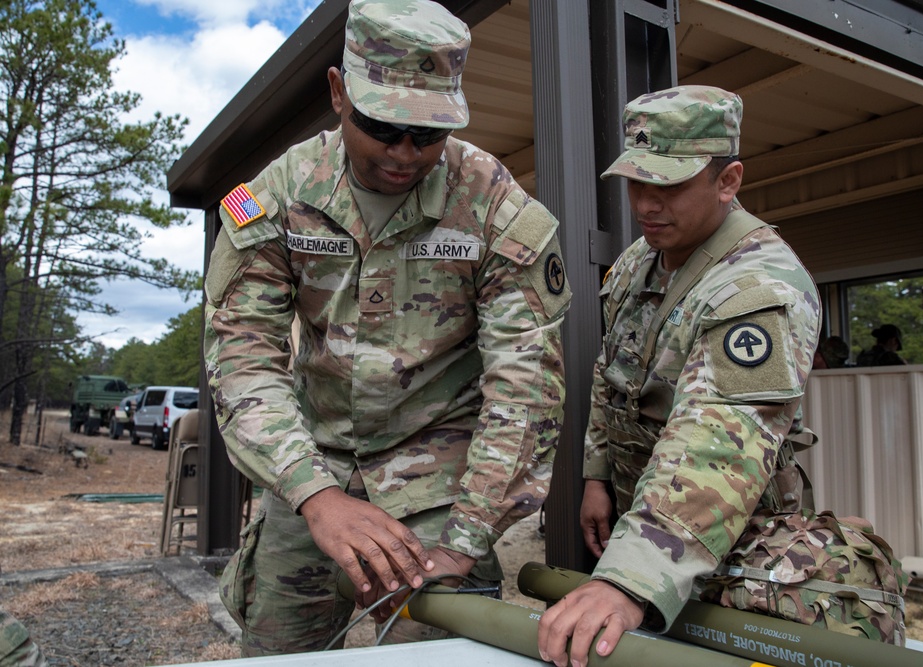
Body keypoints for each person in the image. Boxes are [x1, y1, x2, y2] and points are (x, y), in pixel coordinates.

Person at [203, 0, 571, 656]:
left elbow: (525, 389)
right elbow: (243, 353)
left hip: (441, 488)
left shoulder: (491, 204)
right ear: (340, 93)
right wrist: (313, 493)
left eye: (428, 135)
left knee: (436, 650)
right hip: (309, 471)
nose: (405, 154)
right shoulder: (282, 193)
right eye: (383, 128)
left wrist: (465, 539)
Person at [537, 86, 823, 666]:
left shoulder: (758, 287)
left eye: (669, 185)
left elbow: (719, 445)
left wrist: (629, 579)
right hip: (649, 533)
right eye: (636, 182)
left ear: (728, 180)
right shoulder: (637, 263)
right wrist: (596, 476)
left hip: (733, 546)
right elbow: (607, 375)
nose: (645, 204)